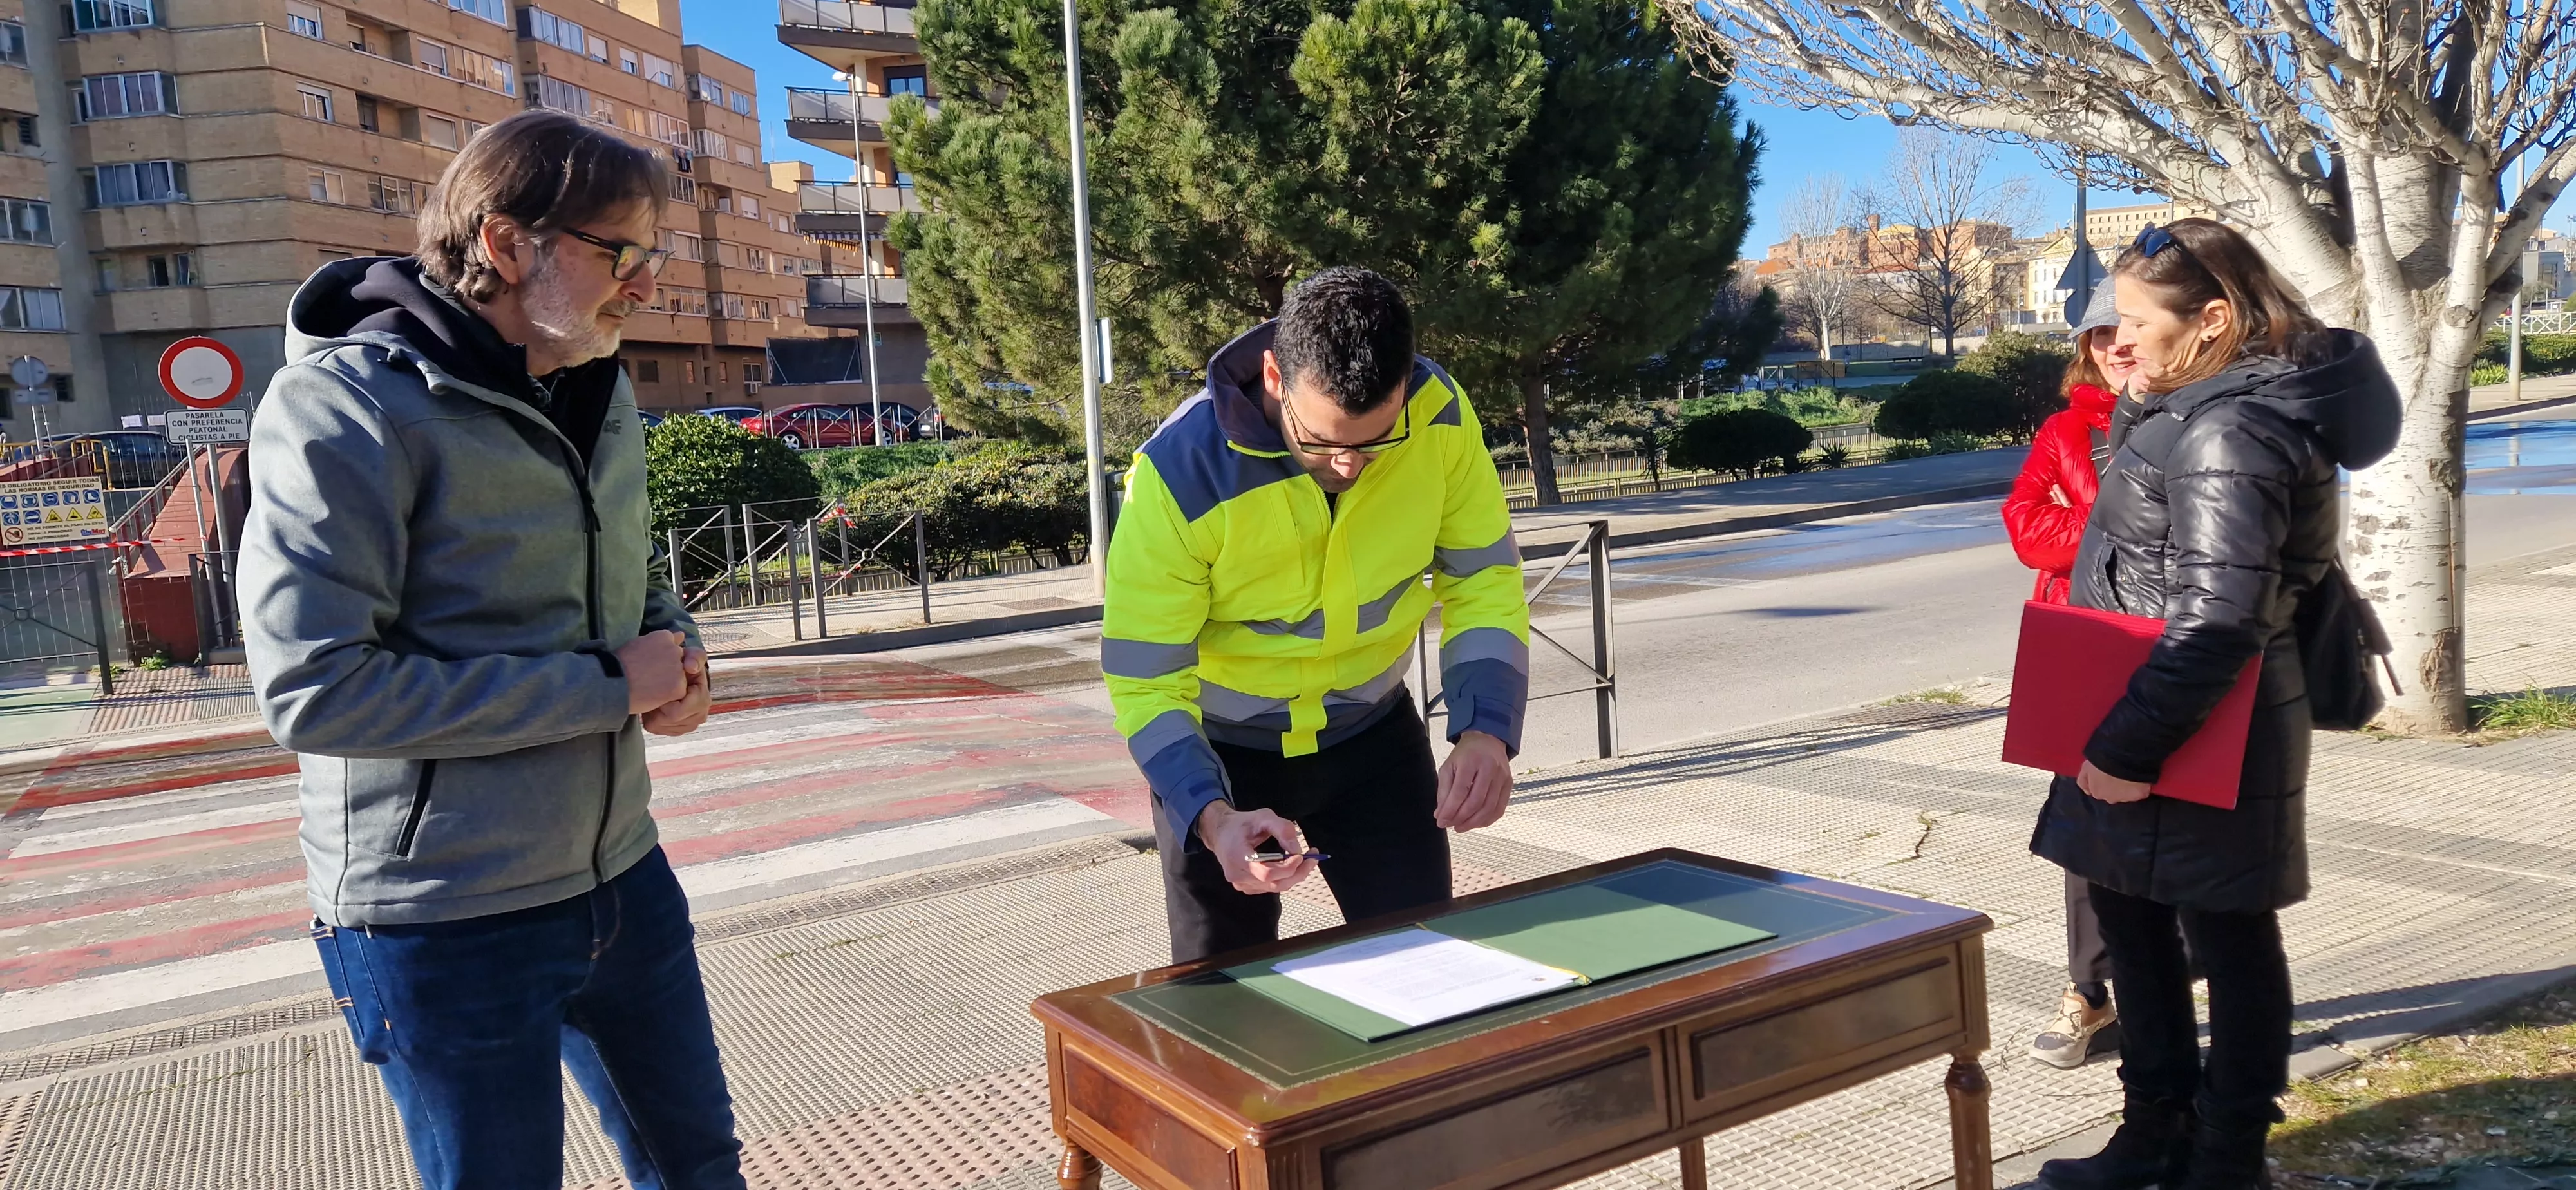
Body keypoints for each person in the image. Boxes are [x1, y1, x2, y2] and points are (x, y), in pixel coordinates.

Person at [240, 111, 741, 1189]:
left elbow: (636, 582)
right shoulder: (347, 407)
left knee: (701, 1168)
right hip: (445, 916)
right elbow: (315, 690)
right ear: (506, 244)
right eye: (622, 253)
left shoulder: (593, 386)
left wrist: (680, 659)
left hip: (622, 875)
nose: (646, 287)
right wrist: (609, 686)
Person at [2031, 219, 2398, 1190]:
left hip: (2204, 731)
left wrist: (2125, 748)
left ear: (2215, 321)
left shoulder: (2234, 429)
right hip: (2156, 718)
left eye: (2137, 323)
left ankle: (2227, 1159)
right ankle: (2151, 1134)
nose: (2116, 342)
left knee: (2230, 945)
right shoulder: (2195, 409)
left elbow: (2221, 618)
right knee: (2137, 933)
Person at [1103, 267, 1531, 963]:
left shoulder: (1441, 417)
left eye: (1375, 440)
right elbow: (1146, 681)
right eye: (1323, 440)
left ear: (1407, 386)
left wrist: (1486, 731)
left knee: (1427, 968)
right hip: (1224, 759)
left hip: (1374, 742)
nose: (1349, 464)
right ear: (1273, 376)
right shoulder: (1178, 475)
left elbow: (1482, 581)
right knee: (1224, 1001)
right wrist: (1210, 818)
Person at [2003, 276, 2132, 1070]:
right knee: (2085, 827)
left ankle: (2175, 979)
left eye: (2129, 326)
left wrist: (2082, 521)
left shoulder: (2198, 418)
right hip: (2082, 643)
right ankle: (2089, 992)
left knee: (2182, 822)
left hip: (2174, 647)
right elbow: (2026, 527)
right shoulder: (2066, 430)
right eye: (2097, 333)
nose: (2115, 343)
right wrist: (2119, 524)